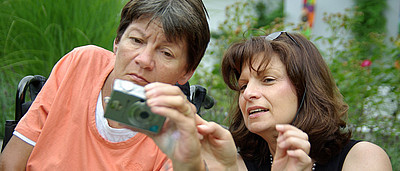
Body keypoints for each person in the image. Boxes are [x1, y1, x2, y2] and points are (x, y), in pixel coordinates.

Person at [0, 0, 210, 170]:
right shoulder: (82, 64)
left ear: (187, 71)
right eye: (136, 40)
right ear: (117, 42)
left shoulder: (177, 130)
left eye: (166, 53)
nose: (144, 60)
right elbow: (10, 163)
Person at [218, 31, 393, 170]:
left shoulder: (363, 158)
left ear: (306, 88)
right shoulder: (237, 165)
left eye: (268, 80)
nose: (249, 93)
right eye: (243, 86)